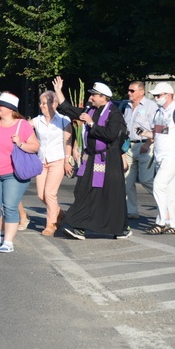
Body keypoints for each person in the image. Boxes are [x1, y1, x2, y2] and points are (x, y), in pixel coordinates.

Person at [53, 77, 130, 240]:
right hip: (92, 158)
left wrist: (91, 124)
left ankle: (116, 227)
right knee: (83, 190)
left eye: (94, 95)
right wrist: (58, 91)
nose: (90, 97)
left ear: (103, 97)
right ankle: (82, 225)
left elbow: (110, 135)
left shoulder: (114, 113)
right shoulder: (91, 110)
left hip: (108, 161)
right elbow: (69, 110)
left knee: (108, 195)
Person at [0, 93, 40, 253]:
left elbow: (35, 146)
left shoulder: (22, 125)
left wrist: (20, 143)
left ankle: (8, 242)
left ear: (10, 109)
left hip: (14, 173)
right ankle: (4, 231)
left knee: (10, 206)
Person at [141, 82, 175, 234]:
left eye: (158, 95)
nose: (156, 98)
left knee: (158, 185)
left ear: (168, 95)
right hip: (160, 156)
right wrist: (145, 133)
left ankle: (163, 221)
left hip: (174, 155)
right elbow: (159, 133)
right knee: (169, 190)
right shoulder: (159, 112)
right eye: (154, 95)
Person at [31, 91, 73, 236]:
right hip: (42, 161)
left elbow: (68, 142)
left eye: (44, 103)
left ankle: (51, 224)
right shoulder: (37, 120)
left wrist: (67, 161)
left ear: (54, 104)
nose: (41, 105)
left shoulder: (64, 120)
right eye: (40, 103)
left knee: (50, 193)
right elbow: (23, 127)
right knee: (41, 195)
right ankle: (60, 213)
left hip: (58, 160)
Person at [122, 81, 157, 219]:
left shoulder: (151, 106)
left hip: (145, 145)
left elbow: (157, 129)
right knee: (127, 180)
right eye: (129, 90)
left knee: (145, 179)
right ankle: (131, 211)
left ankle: (164, 198)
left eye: (132, 91)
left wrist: (148, 143)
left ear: (141, 92)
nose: (129, 93)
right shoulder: (128, 106)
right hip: (130, 145)